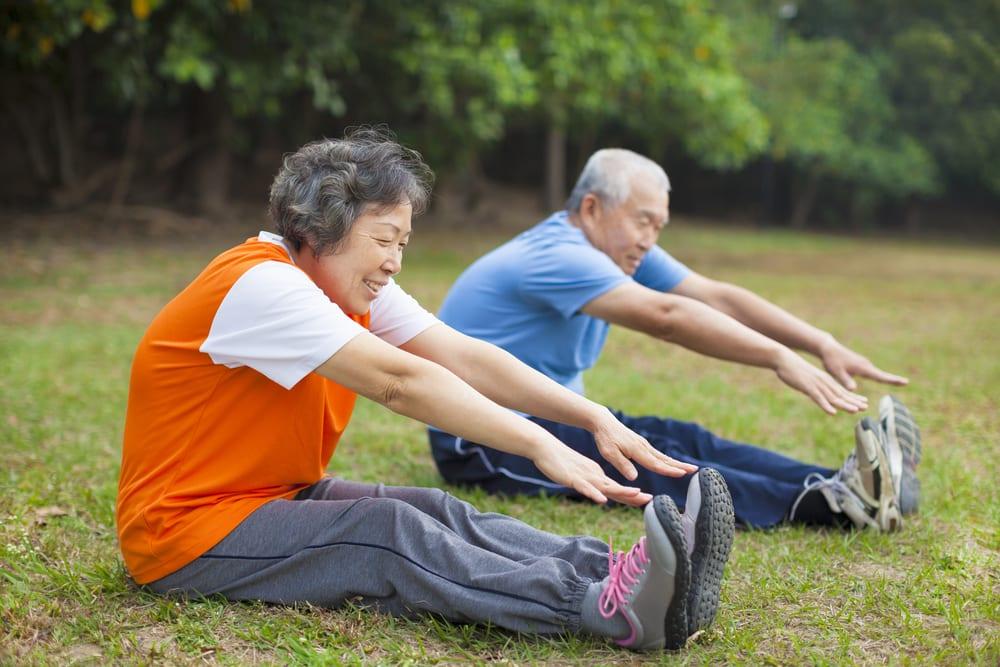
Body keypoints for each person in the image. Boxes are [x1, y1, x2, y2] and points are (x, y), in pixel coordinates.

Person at [115, 130, 738, 652]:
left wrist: (589, 415)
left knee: (433, 509)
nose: (394, 262)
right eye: (384, 240)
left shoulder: (344, 284)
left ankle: (621, 572)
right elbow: (399, 382)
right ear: (322, 227)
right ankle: (609, 609)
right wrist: (535, 442)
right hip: (184, 535)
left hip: (266, 495)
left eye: (402, 244)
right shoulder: (261, 286)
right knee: (385, 531)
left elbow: (462, 355)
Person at [429, 148, 923, 532]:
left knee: (684, 439)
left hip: (554, 415)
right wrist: (775, 356)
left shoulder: (618, 249)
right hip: (482, 440)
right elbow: (666, 316)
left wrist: (820, 342)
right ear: (593, 207)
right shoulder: (559, 255)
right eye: (642, 220)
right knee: (655, 462)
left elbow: (715, 296)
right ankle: (831, 505)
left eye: (659, 226)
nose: (650, 238)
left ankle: (849, 481)